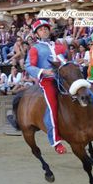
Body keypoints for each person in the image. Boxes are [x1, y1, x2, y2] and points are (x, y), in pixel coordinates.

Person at [25, 20, 67, 154]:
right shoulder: (35, 48)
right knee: (52, 106)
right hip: (47, 80)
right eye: (41, 29)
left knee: (84, 93)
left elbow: (65, 59)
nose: (44, 30)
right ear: (37, 33)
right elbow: (29, 66)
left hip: (63, 78)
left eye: (46, 28)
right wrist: (43, 71)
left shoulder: (59, 45)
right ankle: (56, 141)